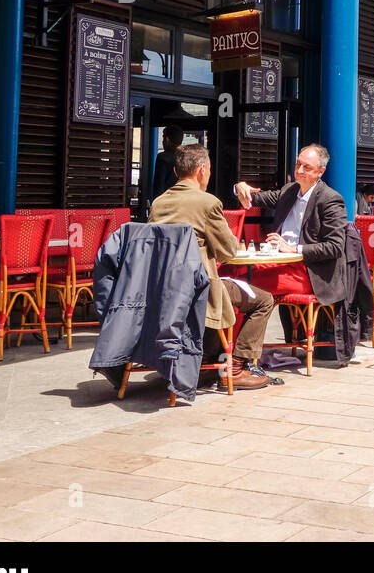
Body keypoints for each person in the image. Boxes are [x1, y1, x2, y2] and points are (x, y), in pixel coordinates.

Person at [149, 144, 275, 390]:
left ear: (175, 171)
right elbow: (227, 252)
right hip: (200, 290)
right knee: (264, 300)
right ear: (202, 170)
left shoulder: (159, 203)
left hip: (164, 291)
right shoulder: (208, 203)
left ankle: (204, 361)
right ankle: (236, 368)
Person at [234, 145, 350, 337]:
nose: (299, 170)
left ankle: (235, 355)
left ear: (320, 172)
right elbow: (256, 197)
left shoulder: (330, 199)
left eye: (307, 167)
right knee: (230, 274)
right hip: (281, 264)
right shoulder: (290, 190)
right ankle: (221, 350)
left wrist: (293, 248)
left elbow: (335, 247)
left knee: (245, 284)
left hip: (309, 271)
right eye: (298, 164)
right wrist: (239, 187)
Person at [150, 124, 184, 202]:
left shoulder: (163, 157)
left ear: (167, 139)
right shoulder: (185, 157)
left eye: (163, 138)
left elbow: (159, 186)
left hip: (166, 202)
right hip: (181, 202)